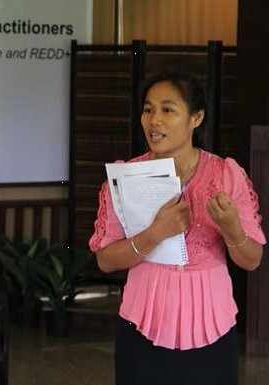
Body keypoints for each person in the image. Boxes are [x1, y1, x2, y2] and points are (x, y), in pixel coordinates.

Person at [89, 71, 266, 385]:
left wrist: (232, 229)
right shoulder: (125, 177)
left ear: (196, 118)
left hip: (213, 326)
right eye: (148, 109)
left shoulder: (226, 175)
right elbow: (105, 260)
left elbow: (251, 260)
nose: (154, 120)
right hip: (142, 326)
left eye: (167, 110)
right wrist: (155, 233)